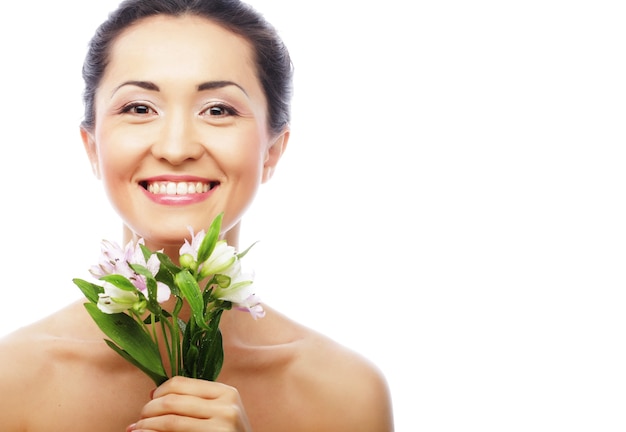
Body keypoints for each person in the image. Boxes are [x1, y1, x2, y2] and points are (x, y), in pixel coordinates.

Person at [0, 0, 394, 430]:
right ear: (92, 147)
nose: (175, 147)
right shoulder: (12, 381)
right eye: (139, 108)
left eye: (218, 110)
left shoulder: (346, 396)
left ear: (273, 150)